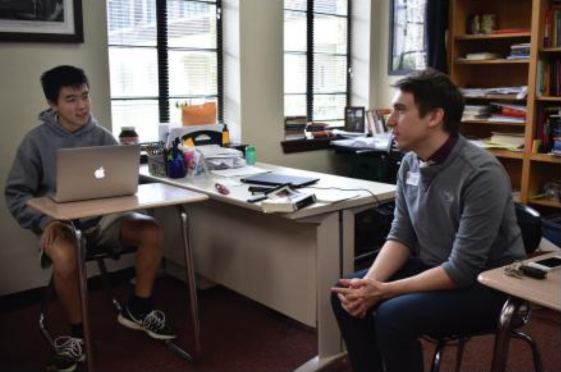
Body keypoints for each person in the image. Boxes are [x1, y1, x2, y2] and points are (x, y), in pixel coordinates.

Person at [331, 68, 526, 372]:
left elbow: (462, 270)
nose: (390, 120)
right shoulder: (410, 162)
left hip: (490, 287)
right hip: (437, 267)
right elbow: (401, 235)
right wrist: (369, 284)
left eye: (400, 110)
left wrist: (383, 291)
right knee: (346, 293)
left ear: (434, 117)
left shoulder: (481, 174)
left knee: (392, 315)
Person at [5, 65, 176, 372]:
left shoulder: (102, 135)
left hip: (104, 222)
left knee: (151, 230)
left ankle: (137, 309)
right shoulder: (36, 141)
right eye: (71, 99)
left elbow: (123, 182)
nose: (82, 105)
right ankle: (76, 335)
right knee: (66, 256)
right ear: (52, 104)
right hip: (62, 226)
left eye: (85, 96)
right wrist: (46, 222)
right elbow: (16, 194)